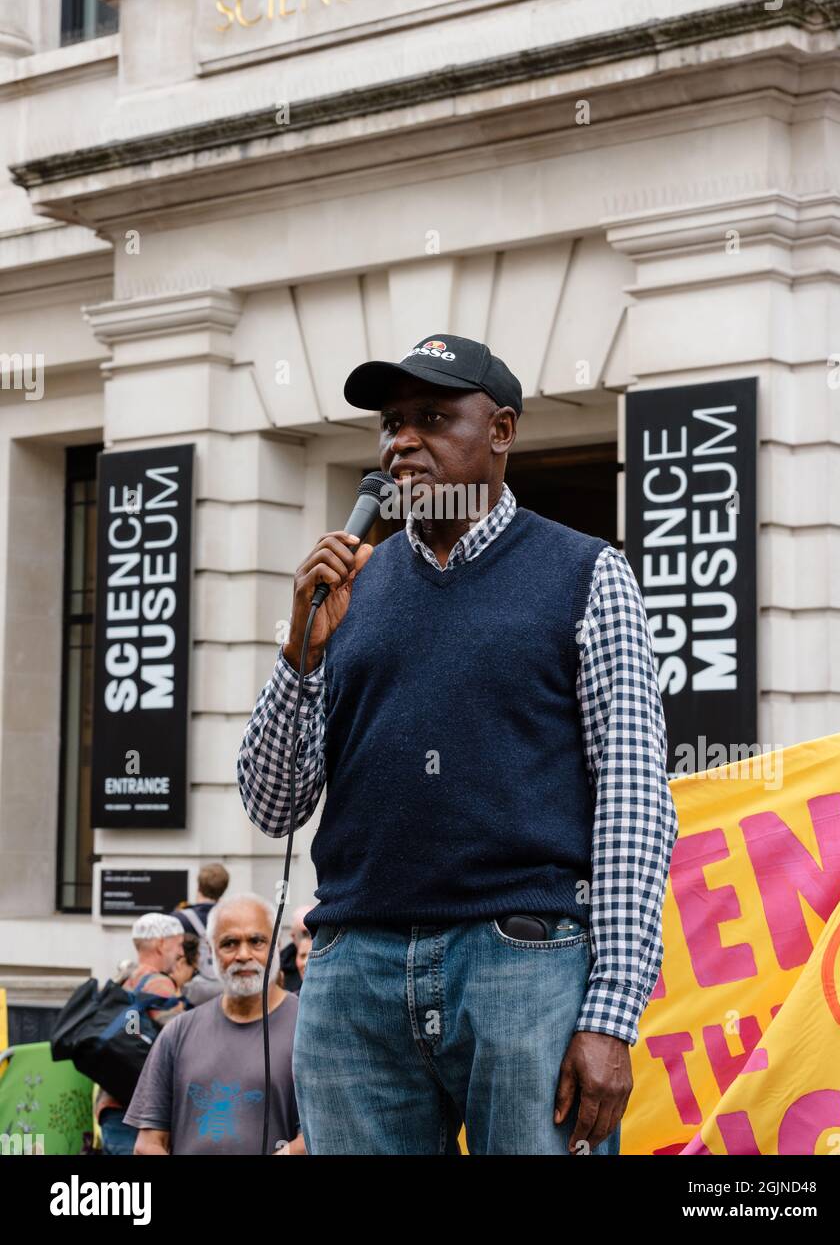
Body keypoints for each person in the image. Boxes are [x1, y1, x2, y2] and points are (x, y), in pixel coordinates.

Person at [237, 332, 679, 1156]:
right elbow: (273, 804)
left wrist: (611, 1014)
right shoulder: (351, 588)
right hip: (352, 969)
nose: (402, 441)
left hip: (523, 964)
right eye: (391, 422)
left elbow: (631, 801)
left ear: (501, 431)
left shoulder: (584, 572)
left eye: (433, 417)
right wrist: (300, 656)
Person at [124, 893, 304, 1156]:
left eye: (257, 941)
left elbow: (322, 1136)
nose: (244, 954)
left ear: (276, 945)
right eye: (229, 943)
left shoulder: (309, 1030)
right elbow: (148, 1143)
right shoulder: (178, 1032)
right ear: (211, 950)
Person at [95, 913, 188, 1155]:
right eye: (178, 944)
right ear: (160, 944)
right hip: (141, 1116)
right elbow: (183, 1043)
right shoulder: (159, 984)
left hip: (110, 1105)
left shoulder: (121, 978)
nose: (181, 953)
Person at [172, 863, 230, 1006]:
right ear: (223, 890)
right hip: (225, 989)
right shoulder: (231, 917)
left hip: (190, 993)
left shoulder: (180, 918)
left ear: (199, 886)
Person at [278, 906, 311, 994]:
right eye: (304, 933)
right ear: (293, 936)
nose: (310, 937)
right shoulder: (280, 965)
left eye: (315, 930)